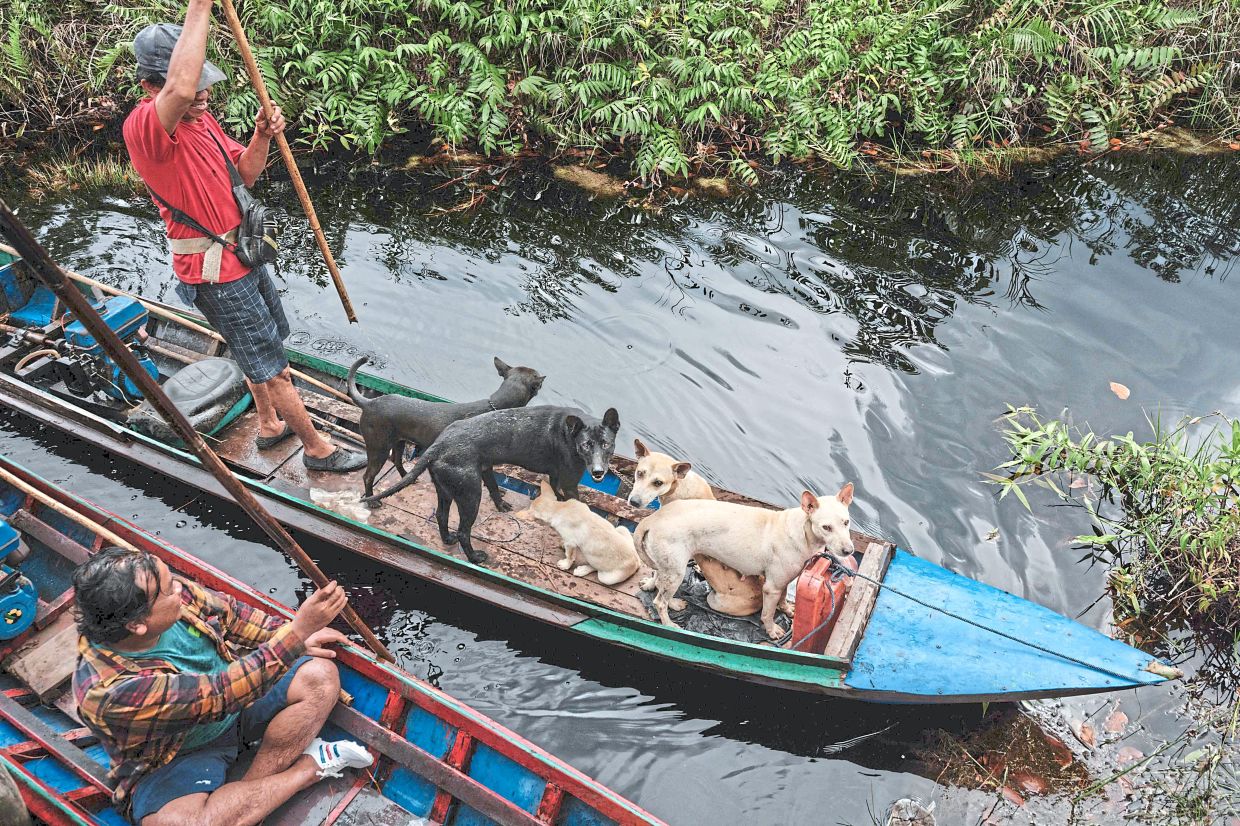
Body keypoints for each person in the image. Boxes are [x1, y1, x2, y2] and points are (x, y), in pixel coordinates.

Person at [124, 1, 365, 472]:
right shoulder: (147, 129)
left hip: (244, 254)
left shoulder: (203, 122)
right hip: (214, 273)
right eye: (193, 90)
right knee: (271, 364)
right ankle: (318, 451)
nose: (201, 96)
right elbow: (179, 83)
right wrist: (201, 5)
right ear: (150, 87)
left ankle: (271, 425)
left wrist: (261, 136)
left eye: (204, 88)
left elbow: (245, 176)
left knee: (268, 343)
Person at [72, 547, 373, 825]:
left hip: (239, 708)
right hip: (176, 755)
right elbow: (219, 694)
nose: (179, 586)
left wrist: (288, 634)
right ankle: (308, 770)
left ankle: (245, 797)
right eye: (167, 590)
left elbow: (233, 616)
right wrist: (296, 633)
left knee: (320, 676)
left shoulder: (176, 596)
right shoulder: (110, 691)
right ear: (137, 624)